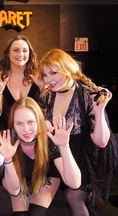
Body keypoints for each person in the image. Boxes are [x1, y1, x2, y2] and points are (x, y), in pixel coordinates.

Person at [37, 48, 117, 216]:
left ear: (67, 69)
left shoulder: (86, 94)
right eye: (45, 75)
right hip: (54, 157)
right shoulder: (46, 96)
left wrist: (99, 111)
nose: (48, 80)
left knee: (73, 197)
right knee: (38, 200)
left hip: (81, 161)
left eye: (53, 73)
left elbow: (101, 142)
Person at [0, 97, 81, 216]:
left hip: (46, 177)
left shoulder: (49, 140)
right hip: (21, 180)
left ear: (39, 121)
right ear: (13, 125)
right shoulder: (7, 144)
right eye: (19, 123)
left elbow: (75, 183)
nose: (26, 129)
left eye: (30, 122)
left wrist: (64, 147)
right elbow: (13, 191)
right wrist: (8, 160)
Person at [0, 35, 40, 132]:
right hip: (7, 137)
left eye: (25, 50)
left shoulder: (38, 77)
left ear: (30, 53)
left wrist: (43, 89)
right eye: (16, 50)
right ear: (8, 54)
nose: (21, 54)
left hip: (34, 136)